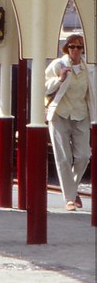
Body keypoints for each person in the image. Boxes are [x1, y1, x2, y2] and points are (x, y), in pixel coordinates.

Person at [44, 34, 95, 211]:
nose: (75, 50)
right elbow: (43, 87)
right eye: (72, 47)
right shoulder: (59, 65)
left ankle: (71, 189)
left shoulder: (88, 69)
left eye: (79, 47)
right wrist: (59, 79)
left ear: (83, 50)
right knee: (63, 157)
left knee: (83, 156)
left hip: (81, 114)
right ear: (67, 48)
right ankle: (69, 199)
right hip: (60, 114)